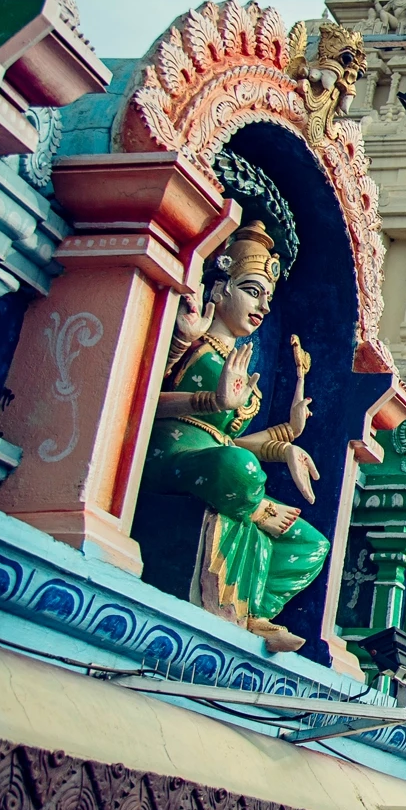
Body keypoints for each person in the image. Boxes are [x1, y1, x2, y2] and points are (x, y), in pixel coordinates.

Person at [146, 222, 323, 654]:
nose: (262, 305)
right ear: (219, 289)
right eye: (251, 289)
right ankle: (256, 508)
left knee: (311, 543)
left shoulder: (241, 362)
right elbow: (144, 396)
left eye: (267, 296)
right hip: (174, 453)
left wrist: (288, 443)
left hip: (223, 463)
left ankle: (254, 613)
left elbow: (235, 439)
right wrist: (209, 398)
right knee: (239, 468)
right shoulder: (192, 340)